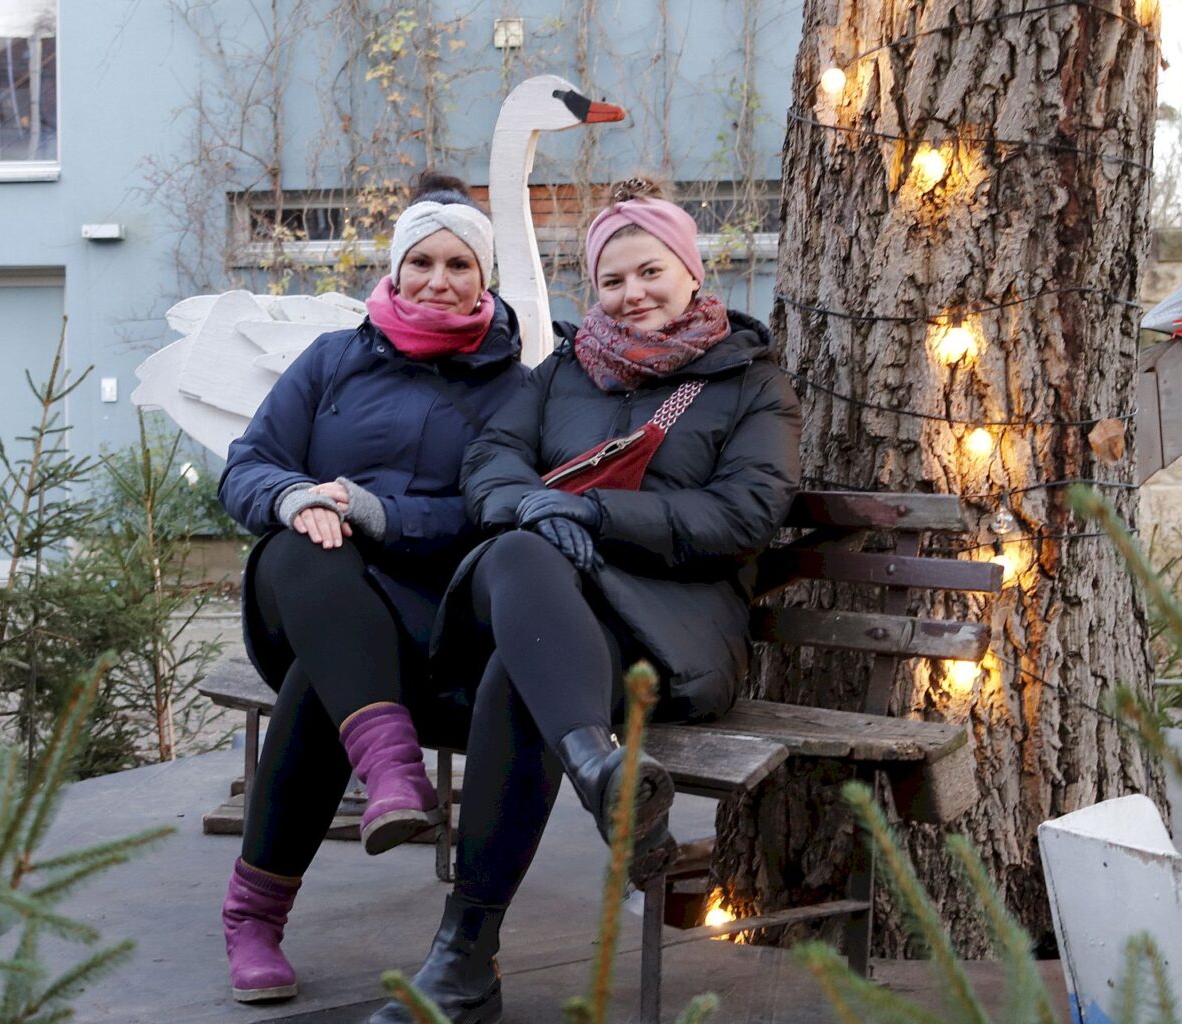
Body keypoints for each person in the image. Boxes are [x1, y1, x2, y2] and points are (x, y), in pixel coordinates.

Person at [367, 177, 801, 1024]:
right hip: (556, 610)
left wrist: (594, 512)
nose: (632, 294)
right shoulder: (564, 370)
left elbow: (746, 513)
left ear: (692, 272)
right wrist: (537, 507)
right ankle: (600, 770)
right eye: (612, 279)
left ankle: (464, 961)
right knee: (519, 560)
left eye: (651, 273)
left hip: (669, 630)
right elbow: (492, 458)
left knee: (516, 676)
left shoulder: (752, 382)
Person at [214, 173, 531, 1005]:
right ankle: (392, 773)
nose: (437, 280)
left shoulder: (513, 386)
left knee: (324, 683)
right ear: (395, 268)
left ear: (485, 277)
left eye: (458, 265)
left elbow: (492, 510)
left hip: (425, 618)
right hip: (304, 593)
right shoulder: (333, 359)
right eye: (421, 261)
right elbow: (248, 466)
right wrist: (296, 498)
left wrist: (381, 514)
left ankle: (252, 919)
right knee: (306, 545)